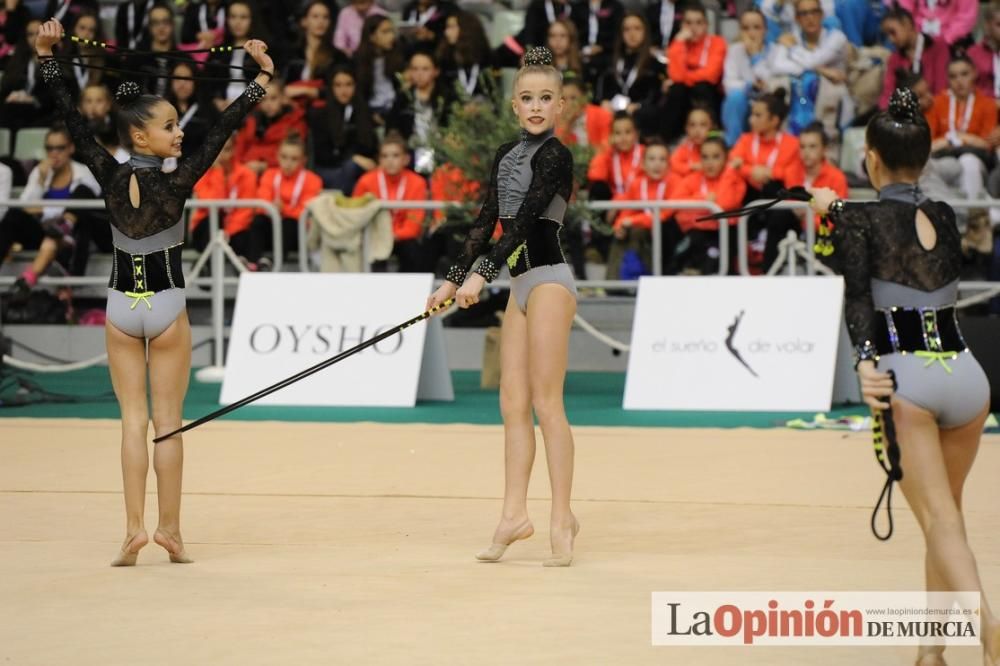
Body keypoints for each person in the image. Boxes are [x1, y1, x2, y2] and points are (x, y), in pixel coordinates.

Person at [34, 17, 274, 566]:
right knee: (168, 424)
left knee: (131, 423)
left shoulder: (107, 173)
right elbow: (224, 129)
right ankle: (170, 531)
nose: (181, 131)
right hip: (166, 309)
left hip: (121, 308)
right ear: (140, 136)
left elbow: (73, 119)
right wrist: (259, 79)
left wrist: (48, 55)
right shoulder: (179, 179)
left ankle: (131, 529)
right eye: (169, 126)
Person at [808, 87, 999, 666]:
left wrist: (825, 216)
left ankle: (989, 631)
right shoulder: (943, 213)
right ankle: (931, 652)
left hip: (906, 378)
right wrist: (833, 218)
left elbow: (854, 291)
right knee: (948, 520)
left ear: (869, 156)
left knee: (941, 519)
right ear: (928, 153)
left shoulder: (859, 219)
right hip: (967, 376)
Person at [425, 47, 580, 567]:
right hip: (519, 287)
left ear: (560, 105)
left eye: (546, 98)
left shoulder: (557, 156)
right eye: (528, 98)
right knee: (511, 404)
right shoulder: (503, 155)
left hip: (550, 283)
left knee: (546, 403)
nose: (536, 107)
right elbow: (485, 220)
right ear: (514, 105)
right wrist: (451, 281)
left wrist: (482, 274)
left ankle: (562, 517)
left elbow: (525, 225)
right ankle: (515, 513)